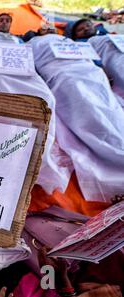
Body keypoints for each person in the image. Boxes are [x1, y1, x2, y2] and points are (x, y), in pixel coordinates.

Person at [0, 14, 70, 195]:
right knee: (13, 106)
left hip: (27, 74)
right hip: (2, 73)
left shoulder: (18, 40)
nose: (4, 23)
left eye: (7, 21)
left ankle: (41, 157)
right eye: (0, 20)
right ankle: (16, 158)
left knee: (47, 100)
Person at [28, 32, 124, 202]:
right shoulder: (34, 42)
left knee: (111, 112)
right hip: (64, 77)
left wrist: (100, 69)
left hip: (90, 74)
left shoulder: (68, 41)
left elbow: (92, 59)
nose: (48, 26)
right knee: (91, 115)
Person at [69, 19, 124, 106]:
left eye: (88, 25)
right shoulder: (81, 43)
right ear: (75, 36)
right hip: (114, 60)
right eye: (80, 29)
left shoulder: (106, 34)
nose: (86, 29)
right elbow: (88, 57)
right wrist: (100, 68)